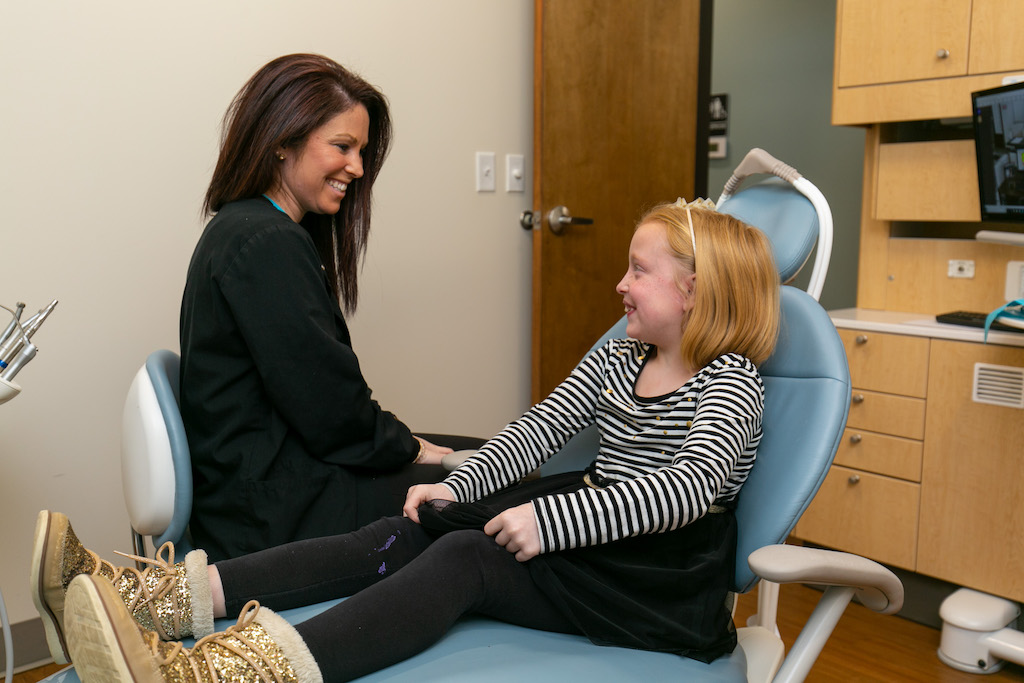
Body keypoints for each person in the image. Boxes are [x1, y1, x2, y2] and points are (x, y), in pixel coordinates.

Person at [36, 200, 782, 681]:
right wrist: (460, 486)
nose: (620, 283)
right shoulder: (624, 352)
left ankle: (231, 673)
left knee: (467, 558)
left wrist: (546, 520)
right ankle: (165, 598)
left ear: (695, 292)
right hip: (605, 548)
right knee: (416, 525)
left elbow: (684, 491)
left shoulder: (729, 383)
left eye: (639, 271)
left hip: (661, 585)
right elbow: (542, 427)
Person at [178, 53, 475, 562]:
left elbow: (321, 399)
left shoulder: (249, 229)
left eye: (360, 150)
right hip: (272, 509)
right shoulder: (265, 242)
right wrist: (411, 448)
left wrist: (408, 444)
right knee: (503, 482)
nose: (357, 168)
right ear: (280, 141)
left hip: (269, 483)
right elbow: (329, 408)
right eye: (342, 147)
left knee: (490, 454)